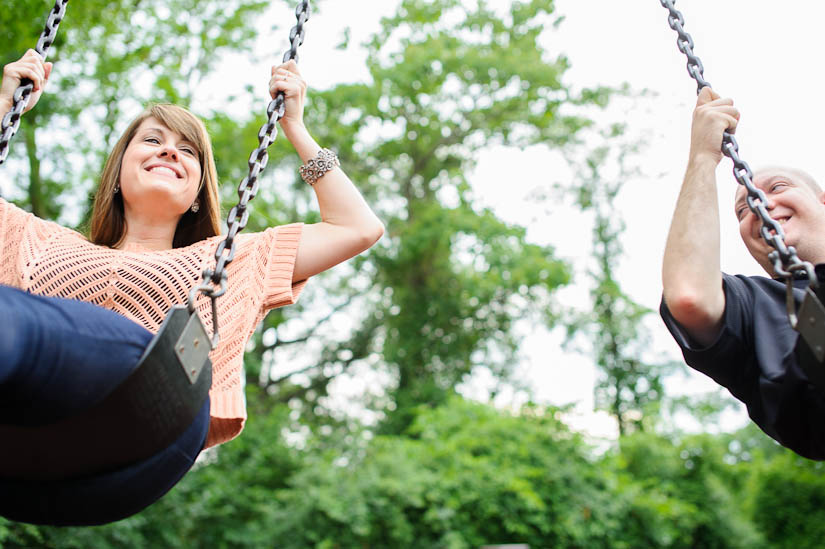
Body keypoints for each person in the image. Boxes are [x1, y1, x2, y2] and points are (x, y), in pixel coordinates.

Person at [0, 49, 384, 524]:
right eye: (153, 140)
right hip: (27, 444)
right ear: (117, 174)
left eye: (187, 150)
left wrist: (296, 130)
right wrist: (4, 103)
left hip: (152, 425)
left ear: (199, 192)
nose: (168, 151)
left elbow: (357, 228)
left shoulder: (231, 258)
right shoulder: (31, 240)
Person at [661, 86, 825, 460]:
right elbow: (689, 294)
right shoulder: (753, 305)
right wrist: (703, 157)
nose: (760, 204)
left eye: (779, 187)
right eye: (743, 209)